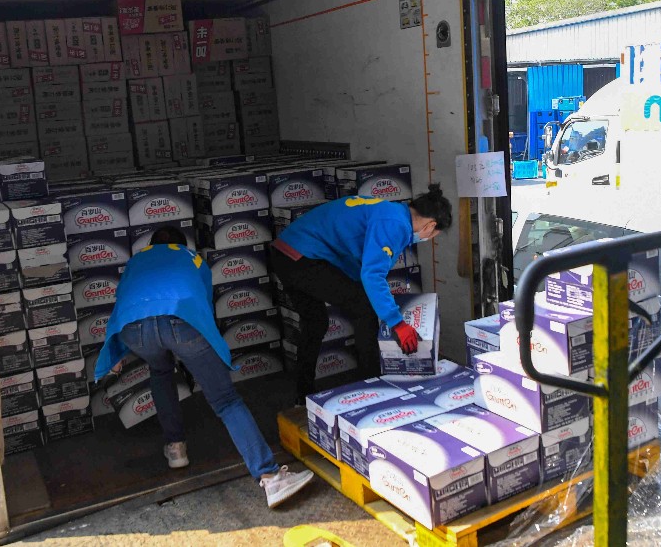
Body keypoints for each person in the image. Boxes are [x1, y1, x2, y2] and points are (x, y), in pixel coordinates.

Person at [93, 226, 315, 508]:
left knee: (160, 371)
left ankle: (176, 449)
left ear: (151, 244)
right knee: (226, 401)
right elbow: (204, 306)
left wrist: (115, 350)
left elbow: (123, 301)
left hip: (134, 330)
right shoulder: (193, 258)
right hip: (181, 319)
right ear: (183, 245)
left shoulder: (136, 261)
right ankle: (271, 478)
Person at [270, 184, 453, 401]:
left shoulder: (392, 211)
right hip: (303, 258)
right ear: (431, 225)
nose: (428, 238)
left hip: (285, 254)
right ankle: (374, 386)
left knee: (315, 322)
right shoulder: (395, 224)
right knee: (364, 308)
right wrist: (397, 322)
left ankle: (304, 395)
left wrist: (379, 298)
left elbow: (357, 261)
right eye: (433, 235)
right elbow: (372, 274)